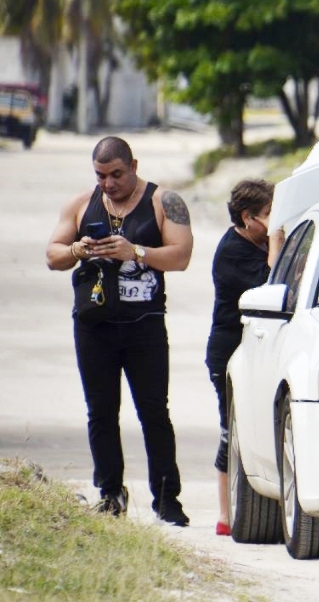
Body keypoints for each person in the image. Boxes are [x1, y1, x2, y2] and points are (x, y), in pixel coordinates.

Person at [45, 136, 194, 526]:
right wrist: (78, 250)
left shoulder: (164, 202)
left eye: (116, 174)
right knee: (101, 413)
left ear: (134, 165)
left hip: (144, 325)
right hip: (95, 326)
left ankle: (166, 498)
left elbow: (181, 256)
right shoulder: (81, 204)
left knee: (153, 413)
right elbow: (53, 255)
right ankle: (110, 493)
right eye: (100, 175)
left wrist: (137, 252)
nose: (108, 184)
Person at [206, 178, 282, 536]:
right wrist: (278, 242)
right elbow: (269, 284)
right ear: (248, 218)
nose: (274, 221)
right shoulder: (232, 251)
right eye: (269, 215)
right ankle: (226, 514)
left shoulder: (256, 240)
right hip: (229, 349)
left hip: (256, 346)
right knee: (231, 429)